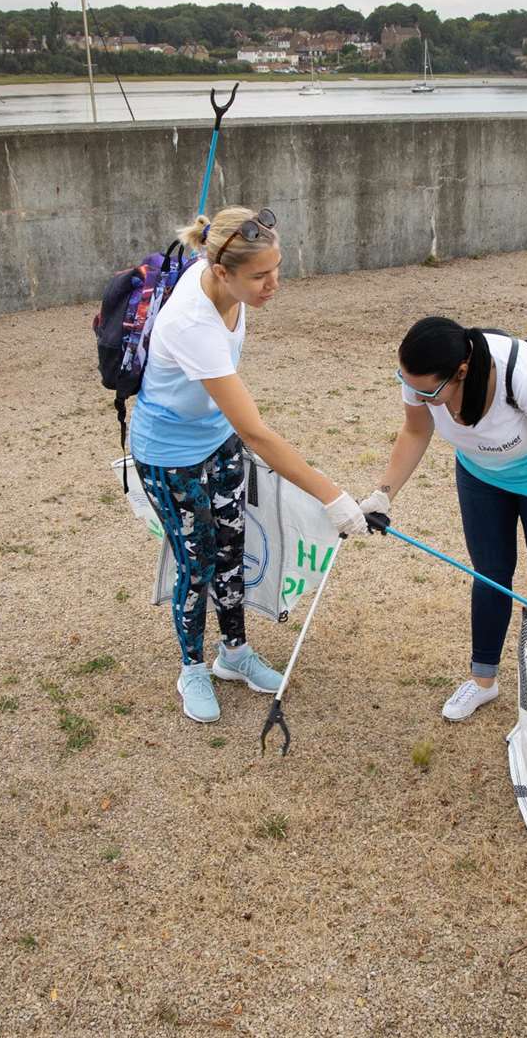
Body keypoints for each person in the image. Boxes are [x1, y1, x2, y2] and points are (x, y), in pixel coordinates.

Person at [129, 206, 366, 724]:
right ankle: (192, 666)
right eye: (260, 276)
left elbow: (235, 425)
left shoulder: (220, 272)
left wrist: (215, 230)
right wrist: (331, 494)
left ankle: (233, 653)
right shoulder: (193, 323)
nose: (273, 284)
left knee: (233, 545)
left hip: (215, 438)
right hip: (169, 456)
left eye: (276, 269)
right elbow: (256, 432)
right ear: (221, 272)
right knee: (198, 561)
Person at [361, 317, 527, 721]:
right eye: (409, 384)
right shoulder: (420, 378)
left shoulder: (519, 373)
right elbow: (415, 432)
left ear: (462, 371)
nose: (418, 396)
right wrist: (382, 494)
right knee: (490, 575)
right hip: (480, 476)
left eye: (428, 391)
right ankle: (483, 681)